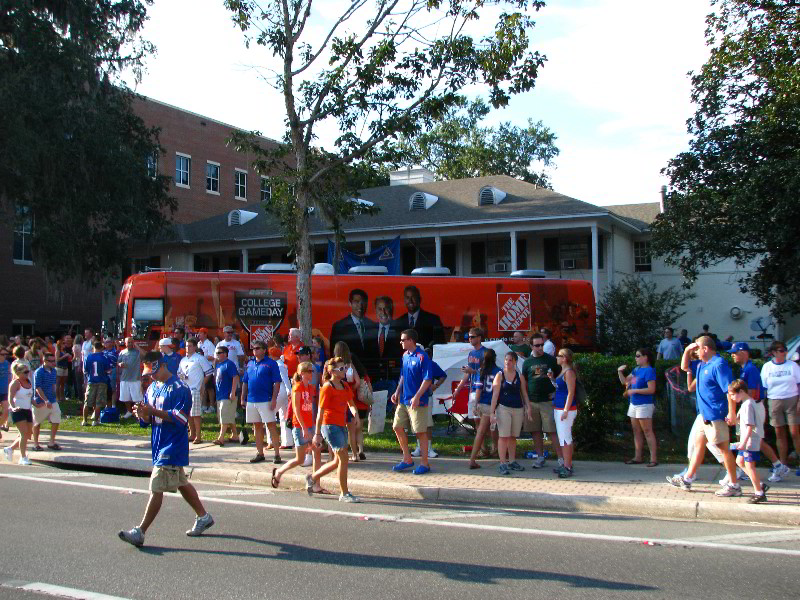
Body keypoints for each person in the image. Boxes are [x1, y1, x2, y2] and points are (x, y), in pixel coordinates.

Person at [118, 352, 214, 547]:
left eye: (153, 372)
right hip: (158, 443)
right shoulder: (153, 388)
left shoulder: (181, 388)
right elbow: (148, 420)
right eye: (147, 374)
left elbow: (181, 419)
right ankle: (203, 516)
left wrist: (151, 411)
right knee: (181, 482)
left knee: (157, 486)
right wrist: (142, 415)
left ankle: (140, 531)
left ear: (163, 365)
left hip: (173, 445)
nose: (150, 377)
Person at [667, 337, 740, 495]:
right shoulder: (702, 364)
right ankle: (688, 478)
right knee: (699, 446)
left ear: (706, 349)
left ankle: (734, 484)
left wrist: (732, 412)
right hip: (704, 415)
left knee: (723, 449)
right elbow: (684, 366)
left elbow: (730, 390)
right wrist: (687, 350)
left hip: (715, 414)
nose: (695, 352)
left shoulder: (719, 365)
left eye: (697, 348)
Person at [305, 356, 361, 502]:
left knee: (337, 461)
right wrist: (317, 434)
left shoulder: (345, 386)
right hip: (329, 425)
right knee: (343, 458)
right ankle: (344, 493)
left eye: (345, 368)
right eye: (342, 369)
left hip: (341, 424)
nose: (345, 371)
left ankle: (312, 477)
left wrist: (355, 415)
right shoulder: (327, 387)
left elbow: (351, 404)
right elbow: (320, 412)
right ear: (333, 372)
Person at [728, 342, 786, 483]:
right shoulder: (745, 369)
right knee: (752, 439)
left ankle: (777, 466)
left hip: (753, 406)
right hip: (751, 406)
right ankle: (746, 467)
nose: (732, 355)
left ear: (744, 353)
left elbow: (752, 393)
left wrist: (737, 397)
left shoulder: (750, 369)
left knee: (754, 439)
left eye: (735, 352)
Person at [272, 361, 324, 491]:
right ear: (302, 373)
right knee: (300, 459)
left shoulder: (310, 388)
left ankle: (315, 483)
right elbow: (296, 409)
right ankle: (278, 472)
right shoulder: (298, 387)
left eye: (313, 371)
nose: (312, 374)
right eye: (310, 371)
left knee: (317, 452)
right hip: (300, 427)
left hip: (310, 425)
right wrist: (304, 428)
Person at [391, 329, 434, 475]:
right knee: (397, 426)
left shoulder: (423, 357)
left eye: (403, 340)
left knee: (420, 432)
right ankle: (407, 459)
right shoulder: (405, 356)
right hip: (403, 400)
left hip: (418, 402)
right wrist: (397, 391)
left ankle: (425, 463)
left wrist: (417, 396)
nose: (401, 342)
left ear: (411, 341)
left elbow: (428, 379)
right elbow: (403, 375)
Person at [521, 332, 563, 469]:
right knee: (535, 431)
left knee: (552, 430)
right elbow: (524, 382)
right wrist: (526, 403)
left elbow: (561, 376)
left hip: (547, 401)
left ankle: (562, 459)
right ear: (531, 346)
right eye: (537, 345)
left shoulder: (550, 360)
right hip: (532, 401)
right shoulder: (527, 362)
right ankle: (540, 457)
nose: (540, 347)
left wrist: (557, 392)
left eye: (541, 345)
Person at [760, 340, 800, 472]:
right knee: (779, 433)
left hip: (792, 399)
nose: (785, 353)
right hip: (774, 400)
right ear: (774, 352)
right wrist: (761, 404)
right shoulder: (767, 367)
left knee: (794, 433)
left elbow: (799, 384)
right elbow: (764, 387)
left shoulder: (793, 366)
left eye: (785, 350)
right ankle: (782, 464)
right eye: (782, 350)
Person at [489, 352, 533, 475]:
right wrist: (492, 412)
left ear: (515, 362)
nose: (507, 362)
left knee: (513, 436)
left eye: (510, 360)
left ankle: (512, 461)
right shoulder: (500, 375)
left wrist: (528, 407)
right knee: (503, 436)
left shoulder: (520, 376)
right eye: (506, 360)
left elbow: (524, 393)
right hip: (503, 408)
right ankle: (502, 463)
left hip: (518, 408)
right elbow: (495, 394)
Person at [728, 379, 770, 504]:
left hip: (750, 440)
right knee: (739, 461)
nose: (731, 397)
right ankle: (760, 484)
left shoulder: (748, 405)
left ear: (741, 391)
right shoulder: (746, 403)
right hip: (747, 440)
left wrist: (743, 443)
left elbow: (750, 426)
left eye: (733, 395)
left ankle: (759, 492)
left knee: (749, 466)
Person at [240, 340, 282, 464]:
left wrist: (274, 398)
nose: (255, 350)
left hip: (266, 399)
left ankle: (277, 454)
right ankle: (260, 453)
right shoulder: (250, 364)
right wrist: (243, 398)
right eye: (253, 348)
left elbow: (277, 382)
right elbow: (245, 381)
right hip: (252, 399)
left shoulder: (271, 364)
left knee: (271, 425)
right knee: (256, 426)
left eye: (257, 348)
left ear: (264, 350)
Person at [617, 348, 658, 466]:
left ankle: (653, 459)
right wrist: (620, 372)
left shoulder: (649, 371)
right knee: (636, 431)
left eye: (638, 356)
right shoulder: (636, 370)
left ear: (646, 357)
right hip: (634, 404)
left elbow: (651, 389)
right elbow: (625, 381)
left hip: (644, 404)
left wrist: (634, 391)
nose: (636, 358)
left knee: (647, 431)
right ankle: (637, 457)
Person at [452, 327, 489, 446]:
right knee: (475, 419)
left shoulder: (485, 352)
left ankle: (488, 447)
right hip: (473, 389)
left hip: (483, 390)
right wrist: (458, 389)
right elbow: (467, 373)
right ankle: (482, 448)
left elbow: (487, 371)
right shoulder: (471, 353)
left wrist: (472, 371)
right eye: (468, 337)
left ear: (479, 338)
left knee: (485, 421)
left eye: (472, 337)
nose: (469, 339)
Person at [467, 349, 501, 469]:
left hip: (482, 403)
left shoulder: (481, 371)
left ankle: (476, 457)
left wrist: (475, 404)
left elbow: (478, 389)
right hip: (493, 404)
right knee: (492, 430)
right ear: (495, 358)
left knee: (482, 431)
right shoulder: (499, 371)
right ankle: (497, 452)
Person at [411, 348, 447, 459]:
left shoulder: (431, 364)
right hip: (414, 398)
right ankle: (419, 447)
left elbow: (443, 375)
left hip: (427, 397)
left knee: (427, 423)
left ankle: (429, 448)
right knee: (416, 423)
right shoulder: (415, 362)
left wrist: (435, 386)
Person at [332, 341, 364, 462]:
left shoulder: (333, 364)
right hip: (349, 398)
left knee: (338, 427)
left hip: (337, 400)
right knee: (351, 429)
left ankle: (338, 455)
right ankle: (355, 454)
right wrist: (350, 391)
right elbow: (357, 381)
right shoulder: (350, 365)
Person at [550, 349, 578, 478]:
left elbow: (571, 392)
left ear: (565, 358)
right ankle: (566, 464)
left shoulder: (569, 372)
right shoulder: (563, 371)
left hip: (565, 409)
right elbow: (560, 388)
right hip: (559, 407)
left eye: (559, 356)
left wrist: (566, 409)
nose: (557, 357)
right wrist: (552, 380)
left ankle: (567, 466)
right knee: (563, 438)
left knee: (566, 438)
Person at [179, 338, 213, 444]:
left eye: (190, 346)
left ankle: (198, 436)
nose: (187, 348)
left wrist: (202, 385)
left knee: (196, 414)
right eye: (186, 346)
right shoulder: (183, 360)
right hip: (185, 389)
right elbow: (179, 373)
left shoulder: (200, 358)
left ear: (194, 347)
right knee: (188, 414)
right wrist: (181, 376)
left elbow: (209, 372)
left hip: (195, 389)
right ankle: (191, 434)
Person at [391, 285, 444, 349]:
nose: (410, 300)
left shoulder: (433, 319)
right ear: (404, 300)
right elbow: (395, 346)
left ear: (419, 299)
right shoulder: (399, 322)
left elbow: (440, 344)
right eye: (407, 298)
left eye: (413, 297)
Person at [330, 288, 376, 357]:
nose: (360, 306)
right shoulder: (339, 327)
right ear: (350, 303)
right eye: (356, 302)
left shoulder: (373, 326)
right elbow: (334, 354)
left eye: (363, 302)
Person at [4, 361, 34, 465]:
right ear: (19, 373)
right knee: (23, 434)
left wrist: (38, 403)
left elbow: (30, 396)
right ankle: (23, 457)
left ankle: (10, 449)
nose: (27, 374)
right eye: (25, 372)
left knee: (28, 434)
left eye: (28, 372)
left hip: (28, 410)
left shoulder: (28, 382)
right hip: (18, 411)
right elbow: (10, 398)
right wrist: (13, 407)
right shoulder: (15, 383)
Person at [32, 352, 60, 451]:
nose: (53, 363)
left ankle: (51, 442)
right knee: (37, 423)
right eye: (51, 361)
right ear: (44, 361)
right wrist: (45, 400)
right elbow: (37, 388)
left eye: (54, 361)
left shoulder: (54, 371)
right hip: (40, 401)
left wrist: (55, 397)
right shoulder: (38, 372)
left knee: (56, 419)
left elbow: (53, 385)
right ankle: (35, 444)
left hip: (52, 400)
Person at [211, 345, 239, 446]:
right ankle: (235, 435)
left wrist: (233, 392)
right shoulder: (218, 365)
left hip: (227, 394)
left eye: (219, 353)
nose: (217, 355)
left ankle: (221, 438)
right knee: (228, 415)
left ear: (225, 354)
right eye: (216, 353)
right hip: (220, 394)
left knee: (224, 416)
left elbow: (235, 378)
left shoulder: (229, 364)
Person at [83, 340, 110, 426]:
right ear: (101, 348)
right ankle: (95, 421)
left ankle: (84, 420)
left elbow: (85, 370)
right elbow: (108, 370)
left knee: (87, 402)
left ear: (93, 348)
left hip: (91, 381)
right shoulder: (104, 358)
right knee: (99, 402)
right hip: (102, 382)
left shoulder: (88, 357)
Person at [196, 328, 217, 414]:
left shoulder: (210, 344)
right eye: (198, 333)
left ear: (205, 334)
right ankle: (204, 405)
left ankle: (212, 406)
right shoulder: (198, 344)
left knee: (210, 388)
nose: (199, 335)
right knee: (203, 387)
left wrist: (202, 357)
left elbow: (213, 357)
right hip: (200, 368)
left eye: (200, 333)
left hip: (209, 368)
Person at [55, 335, 73, 402]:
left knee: (63, 384)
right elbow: (57, 360)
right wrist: (65, 356)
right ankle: (57, 397)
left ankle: (63, 397)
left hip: (65, 368)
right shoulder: (58, 351)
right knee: (58, 383)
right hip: (59, 368)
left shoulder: (64, 351)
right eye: (63, 344)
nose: (64, 345)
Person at [0, 347, 9, 438]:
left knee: (6, 411)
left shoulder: (7, 363)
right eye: (2, 354)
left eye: (6, 354)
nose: (4, 356)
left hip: (5, 391)